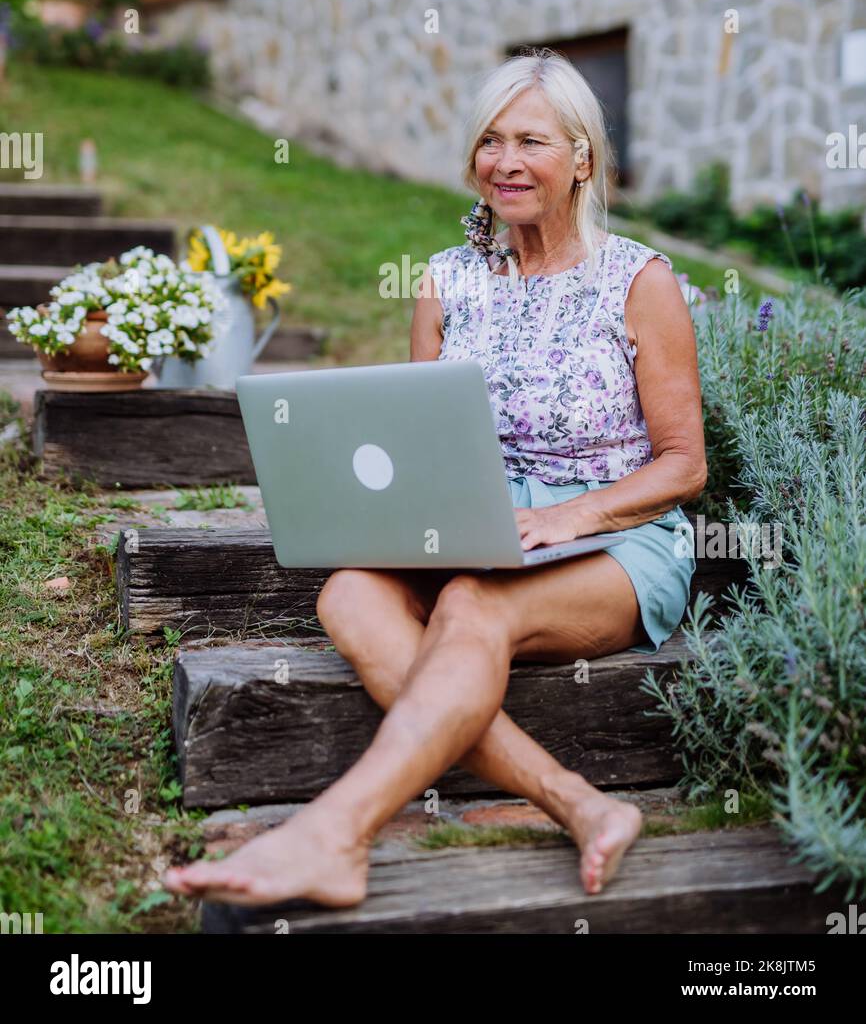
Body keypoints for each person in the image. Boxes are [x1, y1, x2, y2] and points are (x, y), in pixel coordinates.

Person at [165, 46, 706, 908]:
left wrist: (578, 516)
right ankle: (579, 801)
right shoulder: (446, 280)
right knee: (347, 595)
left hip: (617, 539)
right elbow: (415, 436)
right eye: (492, 141)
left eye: (532, 140)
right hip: (480, 525)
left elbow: (685, 466)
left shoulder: (638, 281)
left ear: (583, 161)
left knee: (468, 608)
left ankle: (333, 833)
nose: (507, 161)